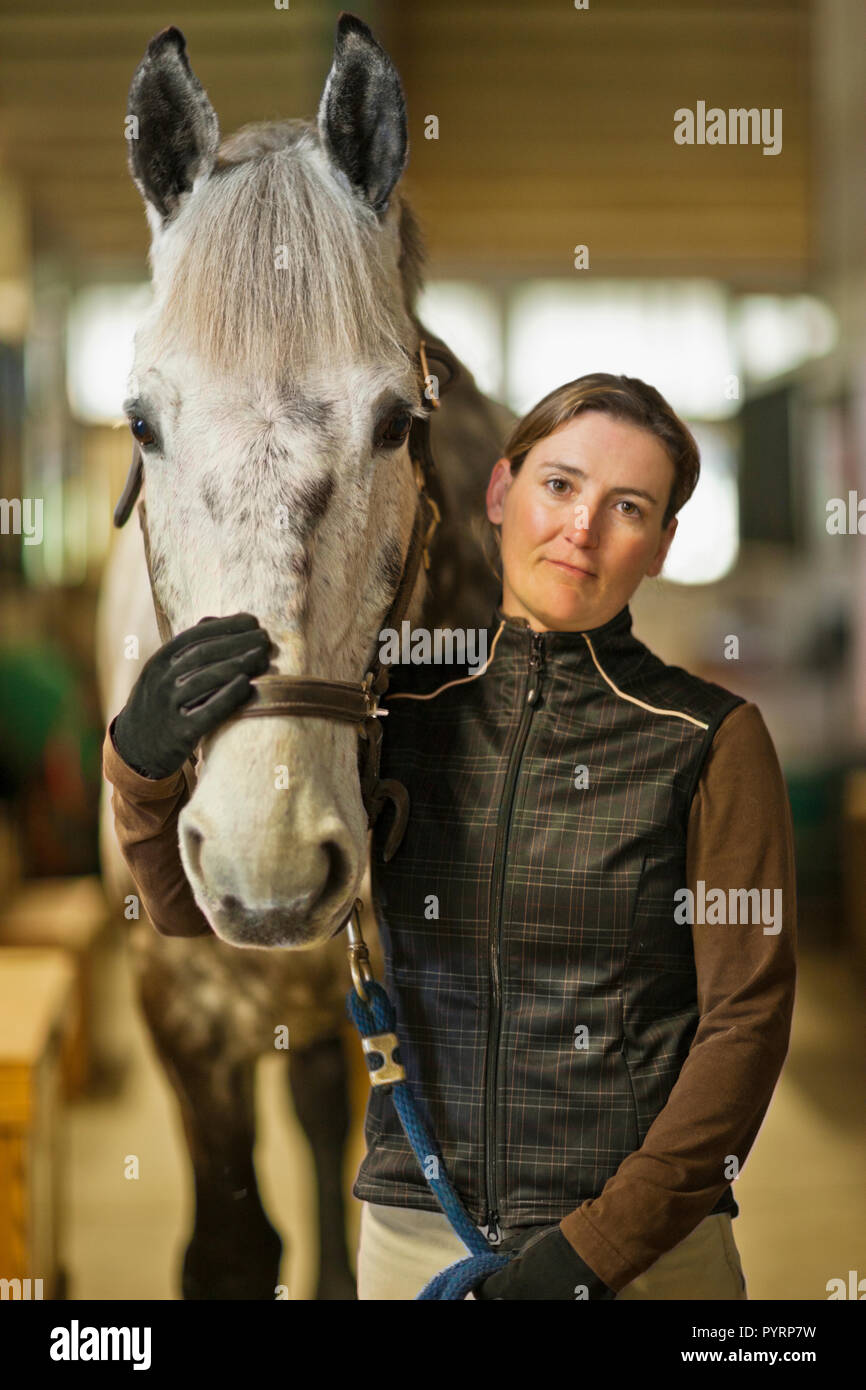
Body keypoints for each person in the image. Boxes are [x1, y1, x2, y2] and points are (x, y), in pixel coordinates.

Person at [102, 372, 797, 1301]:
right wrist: (138, 773)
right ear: (501, 495)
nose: (581, 528)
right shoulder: (396, 719)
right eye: (559, 485)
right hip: (416, 1240)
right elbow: (200, 923)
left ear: (663, 545)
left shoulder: (710, 740)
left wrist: (587, 1257)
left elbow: (743, 1033)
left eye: (627, 506)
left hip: (646, 1261)